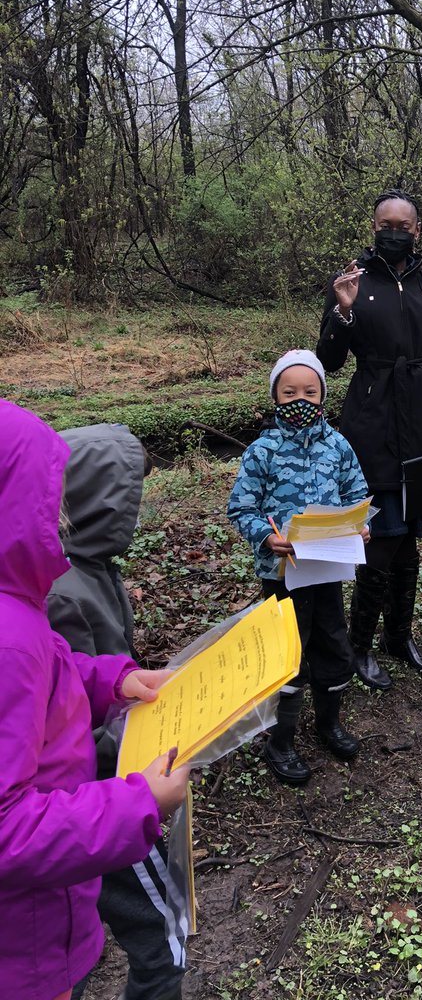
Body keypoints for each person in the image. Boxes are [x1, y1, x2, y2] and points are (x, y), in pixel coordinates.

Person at [0, 400, 189, 1000]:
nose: (60, 516)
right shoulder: (10, 638)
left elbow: (53, 670)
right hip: (27, 944)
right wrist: (137, 805)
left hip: (44, 908)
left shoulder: (17, 606)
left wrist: (111, 680)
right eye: (46, 498)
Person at [316, 188, 422, 691]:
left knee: (411, 538)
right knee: (380, 537)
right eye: (386, 224)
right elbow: (330, 361)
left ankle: (398, 637)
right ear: (374, 227)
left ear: (418, 230)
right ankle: (358, 646)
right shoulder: (351, 282)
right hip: (371, 420)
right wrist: (343, 311)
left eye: (405, 224)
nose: (395, 231)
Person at [227, 349, 369, 786]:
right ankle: (280, 740)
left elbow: (357, 493)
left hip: (327, 569)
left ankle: (328, 723)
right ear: (275, 396)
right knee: (288, 655)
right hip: (282, 575)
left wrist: (358, 528)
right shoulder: (262, 451)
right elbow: (241, 507)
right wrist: (267, 537)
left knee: (334, 645)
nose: (300, 399)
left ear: (323, 394)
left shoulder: (338, 445)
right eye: (289, 392)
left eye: (310, 391)